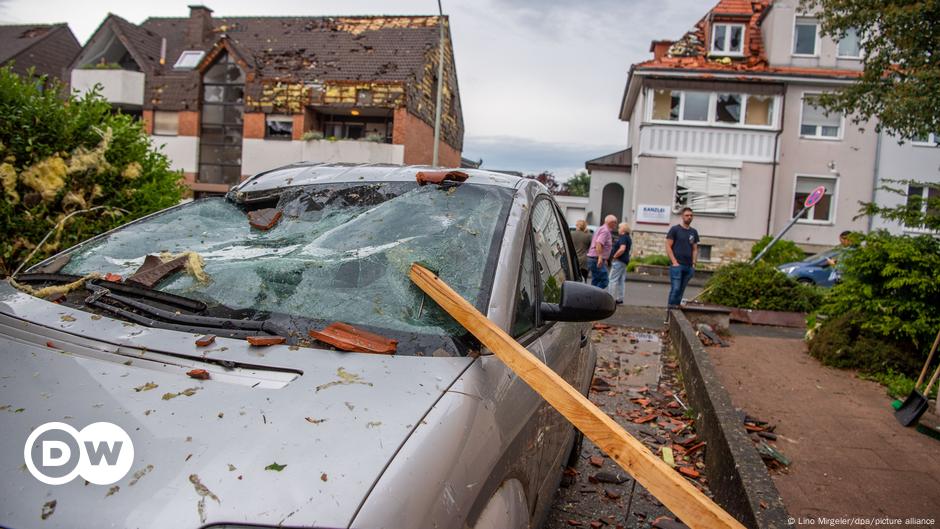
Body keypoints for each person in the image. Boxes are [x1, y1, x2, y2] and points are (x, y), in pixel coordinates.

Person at [665, 207, 699, 308]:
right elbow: (668, 246)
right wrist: (674, 262)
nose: (689, 217)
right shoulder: (675, 229)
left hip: (688, 266)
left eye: (691, 216)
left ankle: (675, 312)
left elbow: (695, 249)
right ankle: (670, 312)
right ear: (682, 217)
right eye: (687, 215)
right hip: (677, 265)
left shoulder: (694, 232)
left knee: (681, 290)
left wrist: (693, 264)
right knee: (675, 289)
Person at [587, 215, 617, 289]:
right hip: (596, 259)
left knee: (596, 280)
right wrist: (600, 257)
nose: (616, 225)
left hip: (595, 258)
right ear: (611, 222)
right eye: (615, 223)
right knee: (604, 281)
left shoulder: (601, 228)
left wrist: (604, 258)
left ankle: (592, 297)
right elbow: (599, 243)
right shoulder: (605, 231)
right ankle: (595, 296)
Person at [608, 222, 632, 304]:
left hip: (619, 260)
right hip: (624, 261)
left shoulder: (623, 237)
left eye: (619, 228)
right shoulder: (628, 237)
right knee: (621, 280)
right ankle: (620, 298)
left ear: (623, 229)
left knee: (612, 279)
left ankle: (609, 298)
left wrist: (614, 256)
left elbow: (622, 249)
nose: (618, 229)